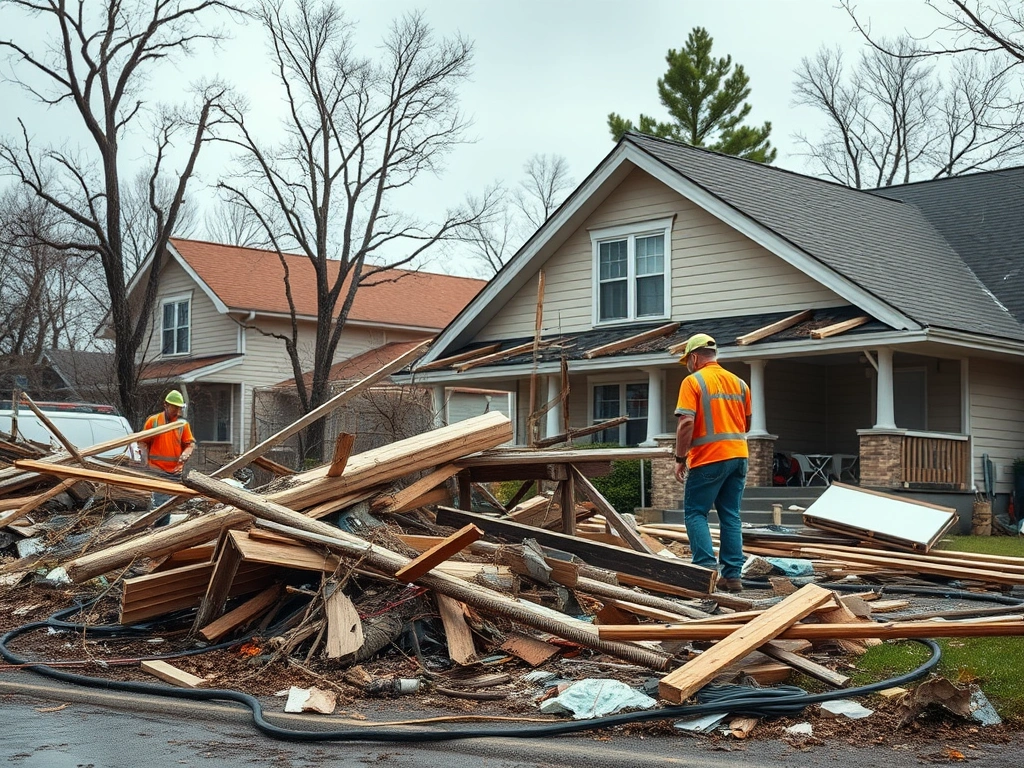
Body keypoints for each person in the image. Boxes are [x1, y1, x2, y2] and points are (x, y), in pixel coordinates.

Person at [673, 334, 752, 592]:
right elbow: (746, 423)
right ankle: (732, 577)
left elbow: (686, 422)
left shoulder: (693, 381)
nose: (689, 365)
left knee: (696, 513)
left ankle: (705, 572)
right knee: (731, 516)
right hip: (739, 455)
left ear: (695, 357)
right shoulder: (739, 383)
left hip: (709, 458)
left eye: (688, 360)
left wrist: (679, 458)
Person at [139, 390, 195, 526]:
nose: (177, 410)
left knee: (168, 505)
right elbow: (142, 442)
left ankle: (159, 530)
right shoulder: (153, 421)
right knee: (160, 504)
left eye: (179, 408)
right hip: (157, 470)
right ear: (165, 405)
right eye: (174, 407)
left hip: (175, 471)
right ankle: (159, 532)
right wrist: (145, 460)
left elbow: (190, 444)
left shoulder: (182, 425)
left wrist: (187, 452)